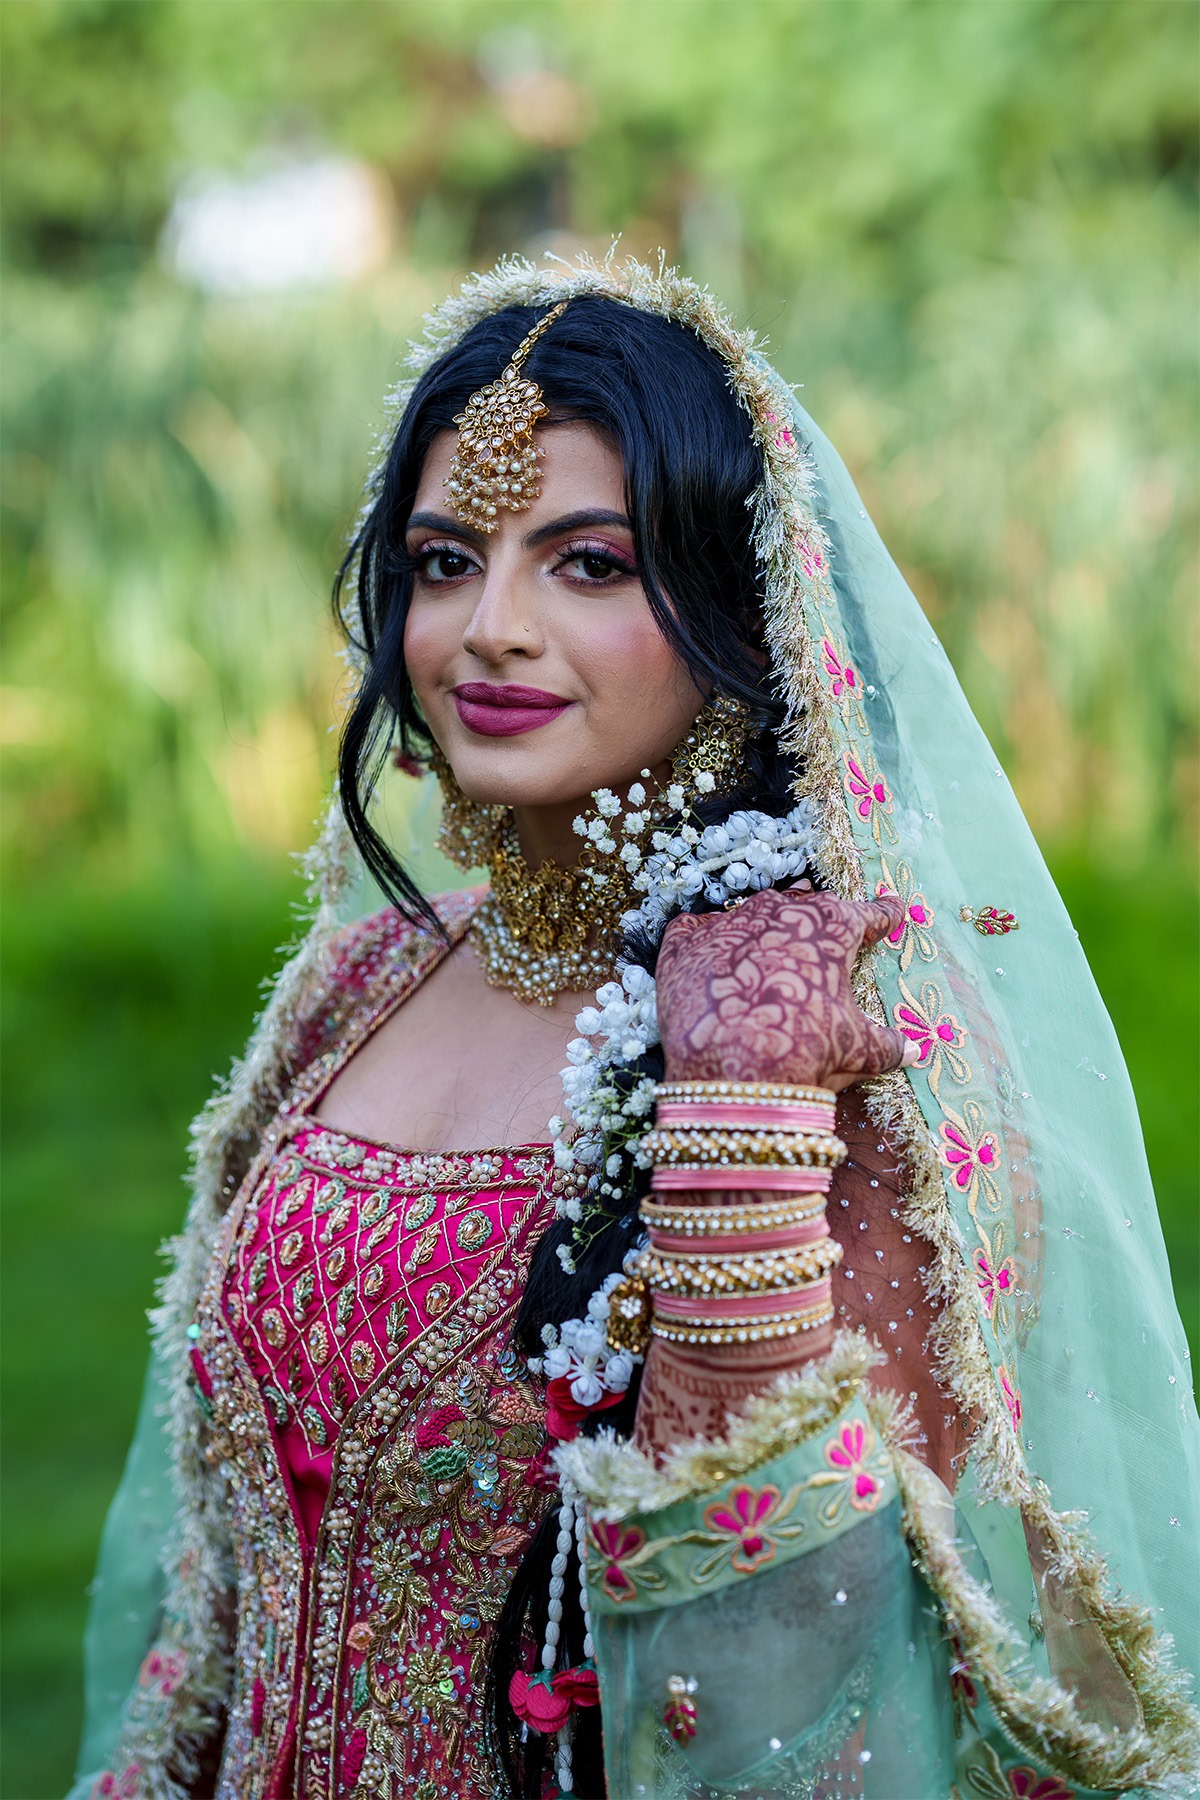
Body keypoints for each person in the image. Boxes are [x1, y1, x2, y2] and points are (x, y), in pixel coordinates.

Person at [72, 256, 1199, 1800]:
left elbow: (789, 1690)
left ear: (740, 606)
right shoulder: (367, 980)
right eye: (446, 559)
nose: (490, 630)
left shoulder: (819, 1034)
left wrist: (741, 1115)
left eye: (588, 565)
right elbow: (216, 1575)